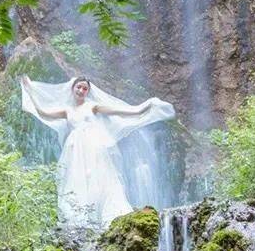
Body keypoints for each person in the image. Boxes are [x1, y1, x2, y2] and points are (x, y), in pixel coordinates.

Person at [20, 73, 175, 230]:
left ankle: (106, 216)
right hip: (75, 151)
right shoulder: (66, 111)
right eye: (79, 87)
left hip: (93, 147)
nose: (81, 90)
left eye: (85, 88)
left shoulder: (92, 106)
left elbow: (118, 111)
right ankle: (79, 219)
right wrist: (30, 91)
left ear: (88, 91)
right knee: (77, 179)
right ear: (73, 89)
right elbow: (43, 113)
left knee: (100, 177)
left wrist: (141, 109)